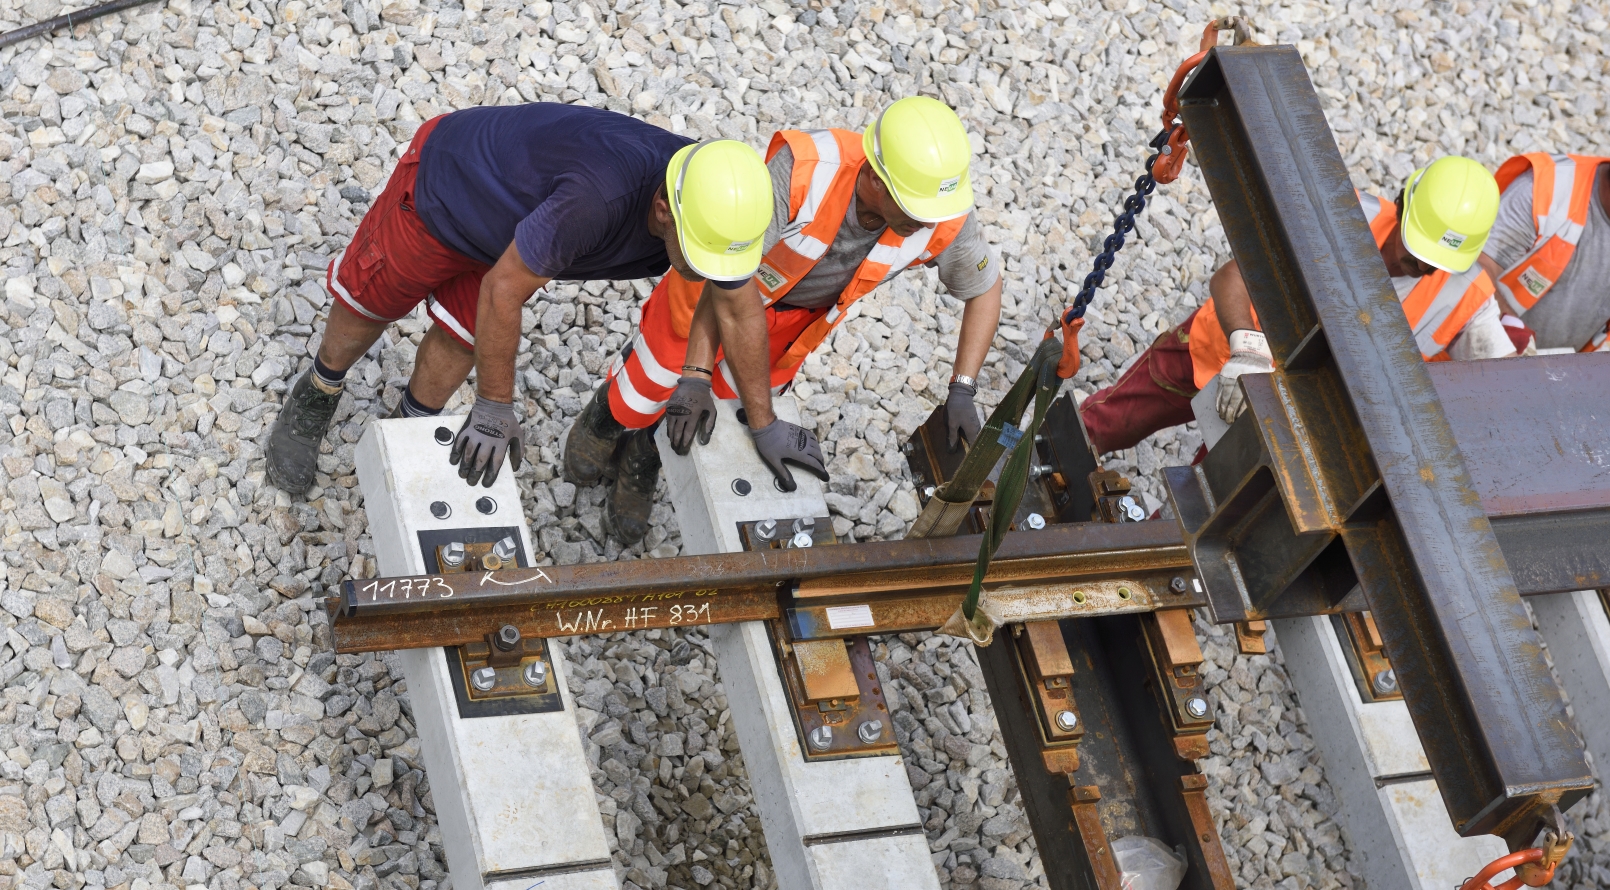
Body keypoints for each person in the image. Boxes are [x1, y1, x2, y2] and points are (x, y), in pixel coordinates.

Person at [263, 103, 783, 497]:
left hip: (517, 231)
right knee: (372, 300)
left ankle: (407, 428)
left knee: (464, 334)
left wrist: (760, 421)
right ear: (663, 210)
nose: (705, 272)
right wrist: (493, 407)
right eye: (699, 257)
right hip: (448, 188)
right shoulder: (598, 200)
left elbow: (735, 304)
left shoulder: (712, 199)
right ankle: (317, 391)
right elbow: (504, 290)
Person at [563, 96, 1004, 545]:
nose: (930, 223)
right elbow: (728, 279)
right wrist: (696, 375)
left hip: (789, 326)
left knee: (718, 410)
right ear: (875, 177)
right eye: (916, 210)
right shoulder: (803, 172)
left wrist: (962, 388)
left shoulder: (939, 209)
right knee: (649, 383)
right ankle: (605, 419)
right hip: (712, 292)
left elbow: (985, 288)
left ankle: (643, 458)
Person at [1080, 156, 1512, 455]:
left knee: (1207, 507)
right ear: (1402, 206)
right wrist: (1246, 351)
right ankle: (1033, 460)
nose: (1420, 267)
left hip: (1290, 417)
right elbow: (1232, 277)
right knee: (1108, 422)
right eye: (1416, 250)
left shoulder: (1467, 296)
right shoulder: (1337, 214)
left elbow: (1508, 382)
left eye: (1436, 263)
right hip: (1216, 346)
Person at [1476, 152, 1610, 353]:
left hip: (1570, 373)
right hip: (1488, 354)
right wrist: (1508, 323)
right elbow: (1478, 264)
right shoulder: (1548, 189)